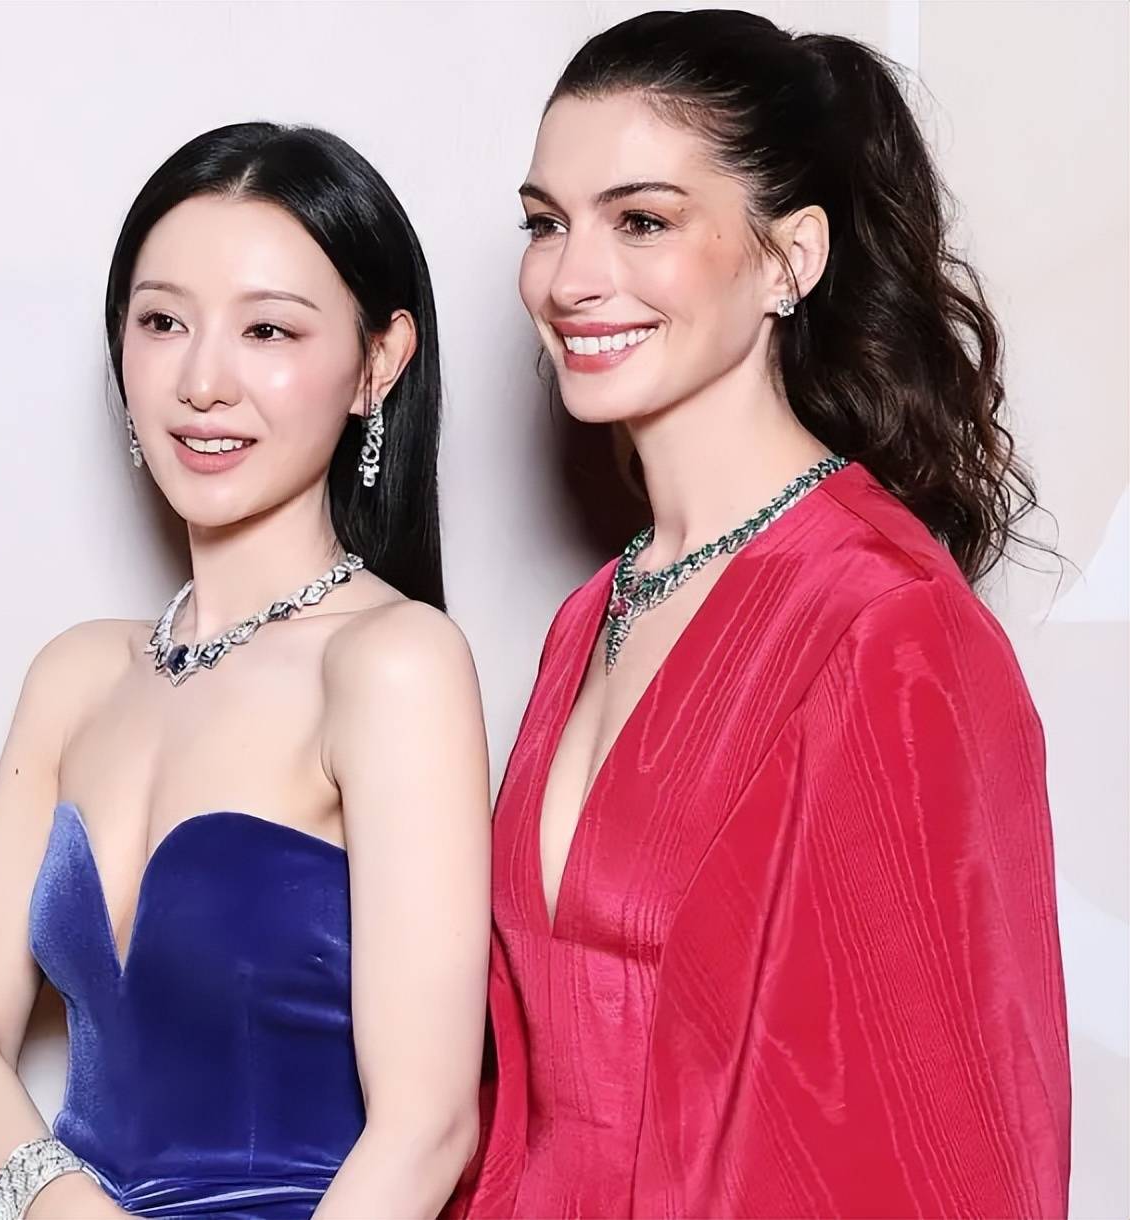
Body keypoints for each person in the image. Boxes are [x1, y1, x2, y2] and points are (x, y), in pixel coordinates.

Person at [456, 11, 1070, 1218]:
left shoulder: (885, 624)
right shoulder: (591, 617)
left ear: (791, 258)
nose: (569, 277)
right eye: (545, 223)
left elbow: (957, 1145)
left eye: (642, 220)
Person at [0, 123, 490, 1219]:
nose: (201, 381)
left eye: (268, 328)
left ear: (379, 362)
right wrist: (63, 1205)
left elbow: (428, 1128)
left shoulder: (394, 665)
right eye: (163, 321)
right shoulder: (76, 675)